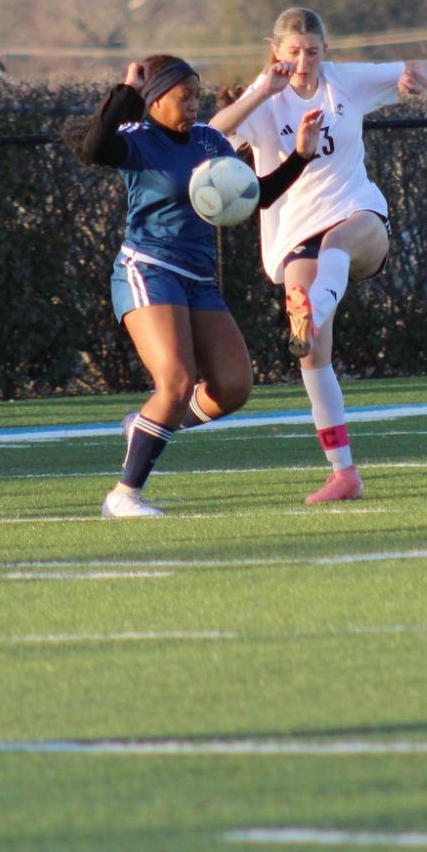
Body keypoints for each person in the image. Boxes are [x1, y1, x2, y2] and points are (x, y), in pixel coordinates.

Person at [76, 54, 323, 517]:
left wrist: (301, 157)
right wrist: (126, 90)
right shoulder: (137, 139)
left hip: (198, 278)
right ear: (154, 99)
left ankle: (147, 424)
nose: (193, 105)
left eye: (196, 96)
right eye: (182, 97)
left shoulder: (209, 140)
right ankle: (124, 495)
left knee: (232, 388)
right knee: (176, 381)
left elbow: (256, 195)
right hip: (149, 270)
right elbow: (93, 148)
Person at [211, 7, 427, 504]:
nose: (303, 61)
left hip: (359, 216)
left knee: (335, 247)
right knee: (313, 354)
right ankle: (344, 473)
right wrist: (259, 94)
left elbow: (426, 67)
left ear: (325, 50)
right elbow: (211, 136)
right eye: (293, 52)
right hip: (296, 232)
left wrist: (414, 75)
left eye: (312, 51)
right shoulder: (265, 95)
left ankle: (311, 307)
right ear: (276, 51)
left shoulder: (344, 81)